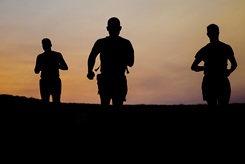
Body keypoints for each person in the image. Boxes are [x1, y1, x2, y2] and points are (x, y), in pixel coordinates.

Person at [87, 17, 134, 109]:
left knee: (106, 105)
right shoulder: (125, 43)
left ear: (107, 28)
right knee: (116, 106)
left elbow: (92, 57)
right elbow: (131, 63)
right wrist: (89, 71)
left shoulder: (101, 42)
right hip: (114, 79)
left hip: (109, 79)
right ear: (120, 28)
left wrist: (90, 71)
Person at [191, 24, 237, 107]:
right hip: (211, 82)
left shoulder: (207, 49)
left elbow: (234, 64)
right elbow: (193, 67)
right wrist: (206, 68)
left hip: (219, 81)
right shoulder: (224, 48)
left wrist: (229, 71)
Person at [34, 38, 68, 104]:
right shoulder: (41, 57)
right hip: (46, 81)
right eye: (44, 45)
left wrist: (56, 66)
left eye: (45, 45)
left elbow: (65, 67)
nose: (44, 47)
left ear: (50, 45)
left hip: (54, 81)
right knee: (46, 101)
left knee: (55, 101)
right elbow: (36, 71)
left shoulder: (56, 55)